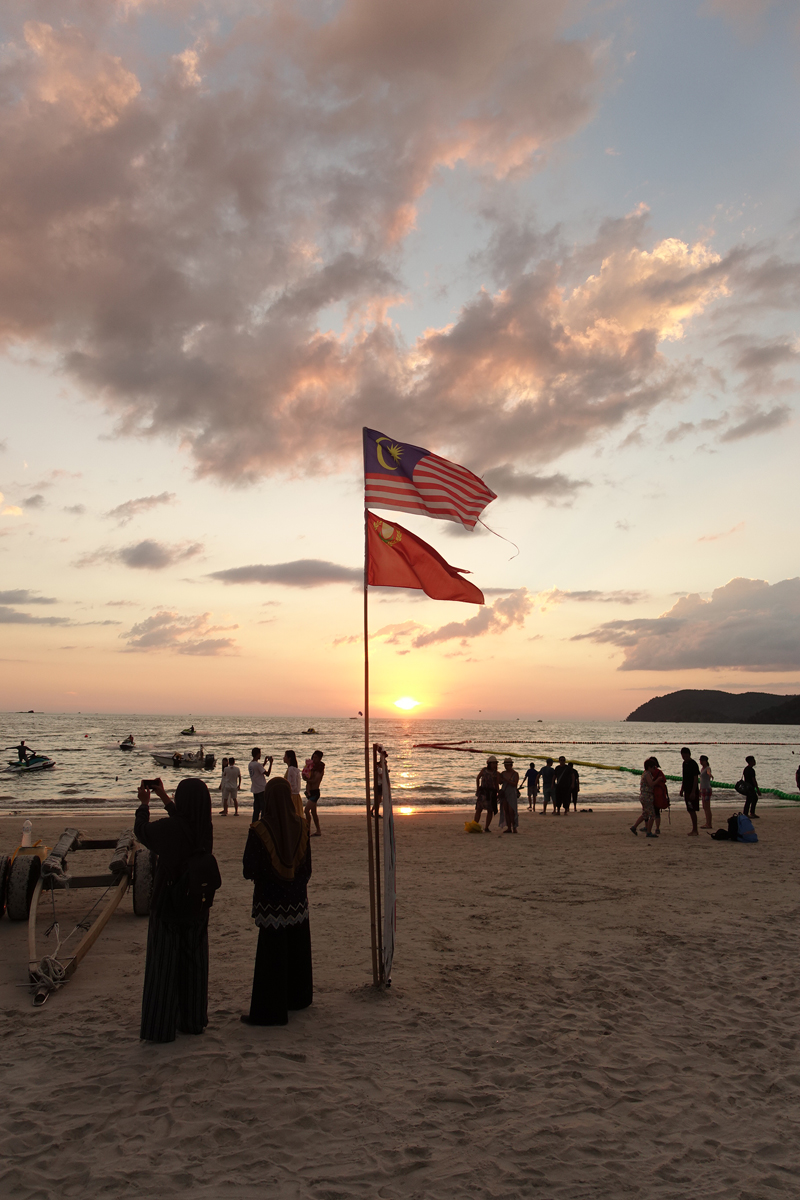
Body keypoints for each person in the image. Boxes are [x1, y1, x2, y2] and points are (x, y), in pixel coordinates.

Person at [134, 777, 215, 1043]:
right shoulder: (203, 828)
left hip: (168, 903)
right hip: (197, 902)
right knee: (194, 963)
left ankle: (160, 1027)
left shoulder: (171, 830)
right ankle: (193, 1020)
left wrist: (145, 805)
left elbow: (142, 831)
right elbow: (185, 820)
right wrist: (165, 798)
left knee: (163, 966)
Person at [241, 777, 313, 1026]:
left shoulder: (259, 830)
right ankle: (298, 998)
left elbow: (249, 869)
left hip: (270, 902)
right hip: (297, 902)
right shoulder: (303, 827)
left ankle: (271, 1010)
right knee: (296, 948)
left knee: (272, 954)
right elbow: (307, 870)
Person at [630, 757, 658, 837]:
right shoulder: (647, 774)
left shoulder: (644, 773)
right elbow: (651, 784)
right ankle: (648, 832)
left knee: (645, 814)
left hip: (643, 796)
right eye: (654, 767)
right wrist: (658, 780)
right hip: (647, 796)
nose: (655, 769)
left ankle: (634, 827)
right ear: (649, 767)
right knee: (652, 815)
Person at [474, 756, 500, 832]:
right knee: (479, 809)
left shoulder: (496, 773)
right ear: (489, 764)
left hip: (491, 793)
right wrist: (478, 787)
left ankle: (486, 827)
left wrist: (498, 793)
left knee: (490, 810)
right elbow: (478, 778)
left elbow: (496, 784)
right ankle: (475, 825)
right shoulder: (484, 770)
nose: (495, 765)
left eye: (496, 763)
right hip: (483, 792)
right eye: (493, 763)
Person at [680, 747, 700, 836]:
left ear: (689, 754)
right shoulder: (684, 763)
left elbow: (696, 779)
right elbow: (684, 777)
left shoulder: (693, 764)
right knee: (689, 809)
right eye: (683, 756)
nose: (684, 757)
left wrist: (693, 791)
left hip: (692, 790)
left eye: (686, 755)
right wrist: (682, 788)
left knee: (692, 810)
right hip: (686, 789)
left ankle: (695, 830)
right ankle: (694, 829)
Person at [248, 748, 273, 822]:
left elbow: (259, 769)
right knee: (264, 809)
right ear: (257, 754)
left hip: (255, 789)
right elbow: (267, 774)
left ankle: (254, 824)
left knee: (256, 810)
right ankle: (262, 823)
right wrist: (271, 763)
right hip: (261, 789)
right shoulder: (257, 765)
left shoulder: (251, 764)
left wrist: (265, 763)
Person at [304, 750, 325, 836]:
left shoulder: (320, 769)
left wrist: (307, 779)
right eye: (313, 757)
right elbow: (306, 774)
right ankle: (318, 830)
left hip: (315, 792)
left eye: (316, 757)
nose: (314, 759)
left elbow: (315, 780)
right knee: (313, 813)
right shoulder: (311, 767)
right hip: (310, 792)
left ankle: (307, 830)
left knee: (306, 810)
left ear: (320, 758)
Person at [498, 758, 520, 834]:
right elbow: (500, 782)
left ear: (511, 765)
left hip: (512, 793)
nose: (506, 766)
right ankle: (509, 827)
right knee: (506, 811)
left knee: (512, 811)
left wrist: (506, 779)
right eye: (505, 765)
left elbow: (515, 784)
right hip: (504, 792)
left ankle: (514, 827)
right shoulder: (503, 773)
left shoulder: (515, 774)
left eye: (507, 765)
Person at [650, 757, 669, 835]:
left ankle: (647, 827)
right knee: (657, 812)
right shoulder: (659, 772)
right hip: (658, 794)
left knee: (649, 812)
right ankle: (657, 828)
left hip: (651, 793)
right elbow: (664, 780)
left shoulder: (648, 772)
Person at [284, 750, 303, 818]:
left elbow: (291, 784)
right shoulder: (293, 769)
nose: (284, 758)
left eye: (285, 756)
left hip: (292, 796)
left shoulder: (291, 769)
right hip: (295, 796)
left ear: (289, 758)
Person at [699, 755, 714, 830]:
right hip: (703, 789)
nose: (701, 762)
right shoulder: (702, 769)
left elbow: (708, 772)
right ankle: (707, 822)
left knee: (707, 807)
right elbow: (701, 781)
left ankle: (709, 823)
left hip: (707, 789)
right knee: (704, 807)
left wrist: (710, 775)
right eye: (700, 760)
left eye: (702, 760)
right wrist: (700, 790)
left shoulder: (707, 768)